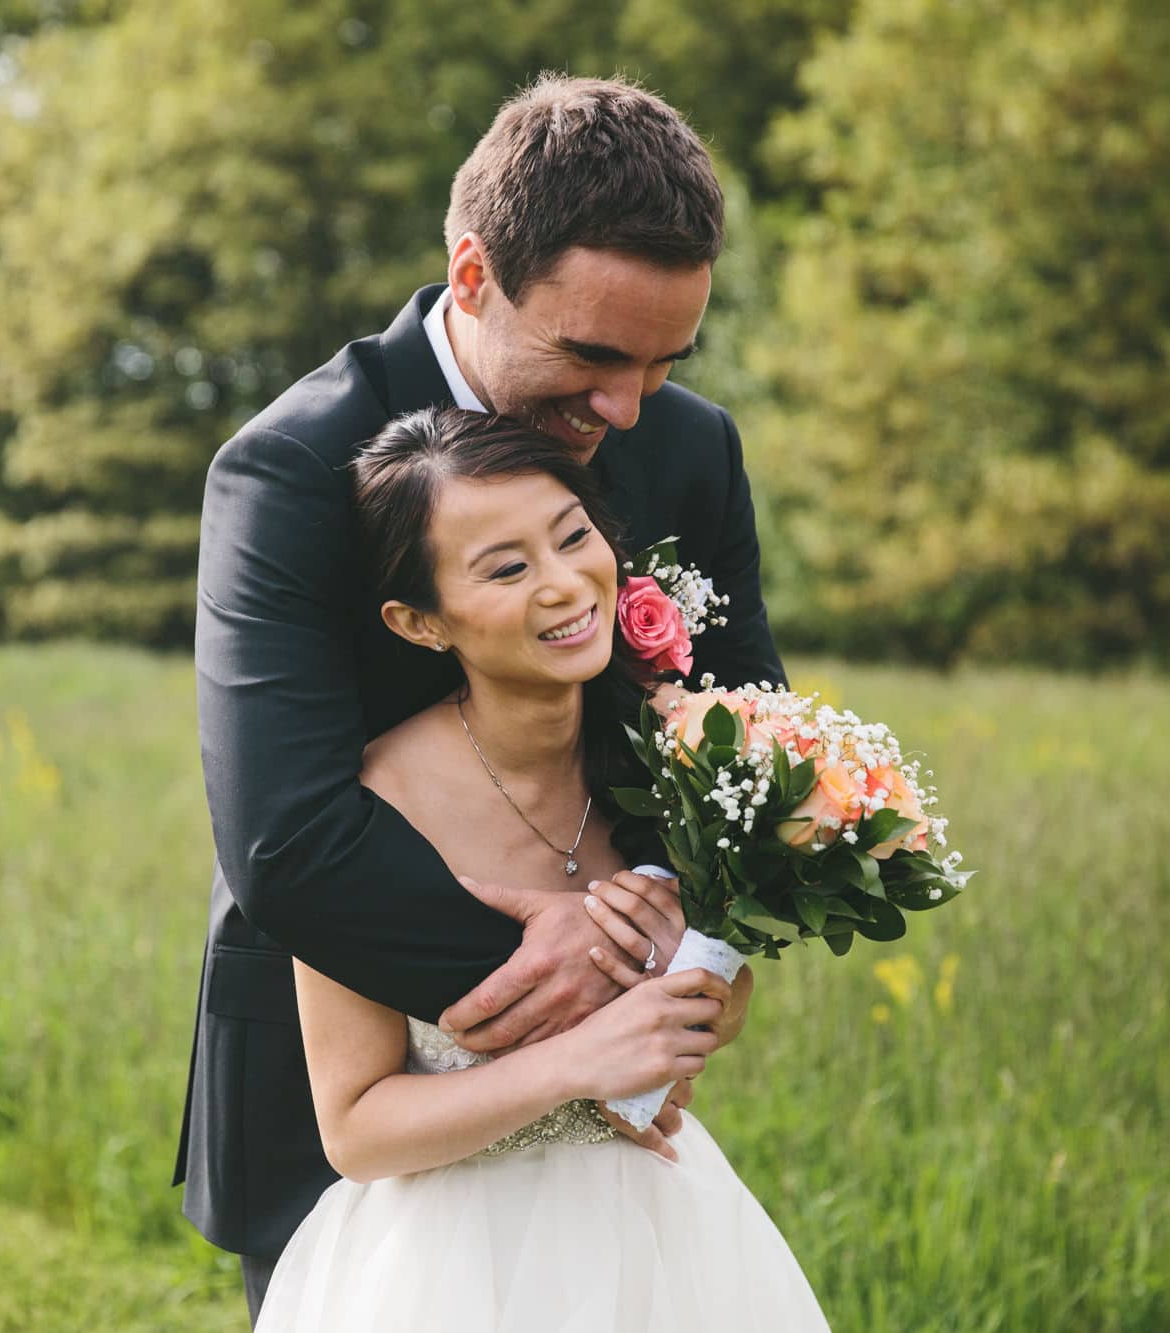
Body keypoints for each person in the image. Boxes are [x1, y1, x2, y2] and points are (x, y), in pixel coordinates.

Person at [177, 74, 787, 1322]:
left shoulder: (689, 447)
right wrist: (555, 989)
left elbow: (755, 738)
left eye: (666, 361)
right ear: (471, 275)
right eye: (591, 355)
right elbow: (287, 837)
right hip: (357, 1059)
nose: (623, 412)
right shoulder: (289, 469)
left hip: (624, 1121)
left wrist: (669, 921)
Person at [251, 408, 827, 1329]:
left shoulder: (675, 761)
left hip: (661, 1234)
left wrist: (713, 1000)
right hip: (448, 1264)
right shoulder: (365, 809)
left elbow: (700, 1001)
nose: (564, 584)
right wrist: (577, 1061)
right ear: (419, 620)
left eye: (574, 538)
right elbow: (354, 1127)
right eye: (508, 568)